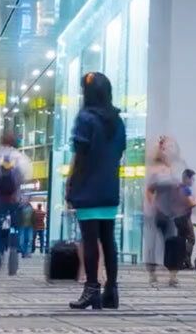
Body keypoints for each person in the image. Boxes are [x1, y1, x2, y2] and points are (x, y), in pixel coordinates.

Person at [67, 71, 128, 311]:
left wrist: (71, 185)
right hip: (109, 187)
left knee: (90, 239)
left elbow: (80, 155)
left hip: (88, 187)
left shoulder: (86, 118)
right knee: (108, 239)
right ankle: (111, 290)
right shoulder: (117, 120)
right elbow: (119, 152)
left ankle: (92, 288)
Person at [0, 130, 32, 276]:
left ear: (2, 141)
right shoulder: (20, 158)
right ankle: (13, 251)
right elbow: (26, 176)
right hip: (14, 199)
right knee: (15, 227)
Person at [144, 135, 190, 286]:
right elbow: (150, 190)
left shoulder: (174, 169)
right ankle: (153, 272)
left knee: (172, 242)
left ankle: (172, 275)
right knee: (155, 242)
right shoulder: (156, 169)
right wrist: (153, 204)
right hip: (159, 211)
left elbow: (180, 188)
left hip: (172, 211)